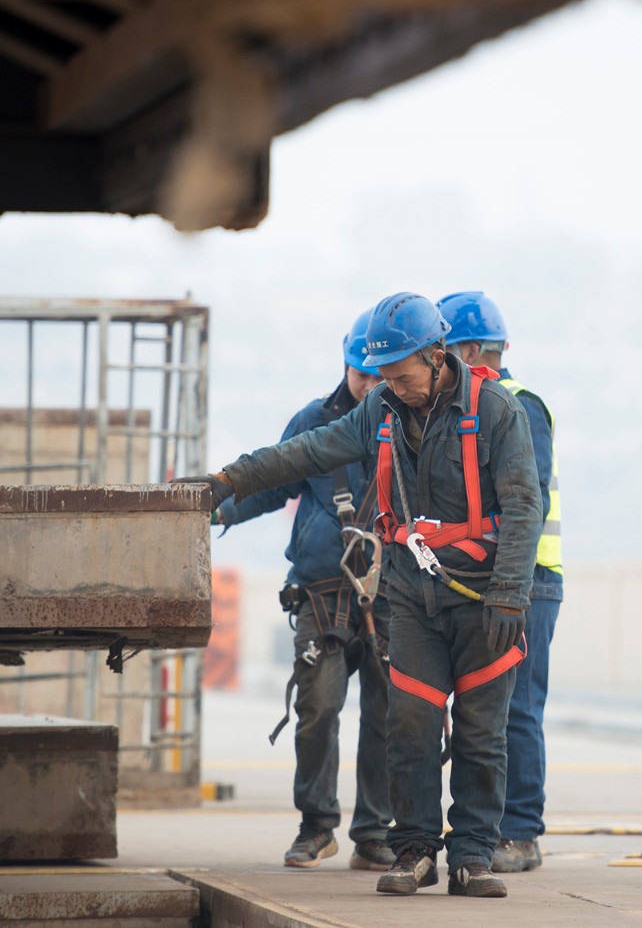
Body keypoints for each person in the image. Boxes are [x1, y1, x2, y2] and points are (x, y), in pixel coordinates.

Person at [186, 292, 543, 899]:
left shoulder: (497, 411)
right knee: (408, 724)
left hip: (483, 600)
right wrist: (228, 480)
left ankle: (473, 856)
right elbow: (307, 450)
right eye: (384, 377)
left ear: (435, 357)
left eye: (402, 376)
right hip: (410, 595)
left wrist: (510, 593)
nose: (393, 387)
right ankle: (414, 851)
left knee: (482, 733)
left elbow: (523, 504)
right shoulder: (379, 407)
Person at [215, 307, 393, 871]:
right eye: (362, 375)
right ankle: (317, 825)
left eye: (380, 377)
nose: (370, 387)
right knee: (318, 709)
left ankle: (375, 832)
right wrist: (213, 507)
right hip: (322, 593)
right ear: (345, 366)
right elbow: (272, 484)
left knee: (389, 716)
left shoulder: (410, 425)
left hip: (395, 595)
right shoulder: (313, 421)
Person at [437, 291, 561, 874]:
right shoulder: (464, 407)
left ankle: (520, 832)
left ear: (466, 350)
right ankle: (491, 829)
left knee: (517, 708)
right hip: (491, 579)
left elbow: (524, 503)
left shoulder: (516, 405)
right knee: (487, 709)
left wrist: (509, 581)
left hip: (528, 580)